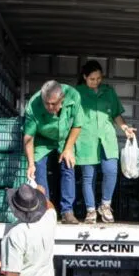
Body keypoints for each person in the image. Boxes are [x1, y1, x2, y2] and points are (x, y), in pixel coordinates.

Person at [75, 61, 135, 223]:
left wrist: (125, 128)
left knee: (111, 171)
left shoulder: (109, 92)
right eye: (92, 79)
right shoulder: (76, 93)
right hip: (86, 139)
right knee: (88, 177)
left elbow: (116, 114)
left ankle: (105, 205)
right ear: (84, 77)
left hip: (107, 138)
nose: (96, 82)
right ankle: (90, 210)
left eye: (98, 78)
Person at [23, 80, 88, 224]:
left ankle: (67, 211)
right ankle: (45, 209)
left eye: (53, 104)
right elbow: (28, 137)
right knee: (38, 169)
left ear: (62, 99)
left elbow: (77, 125)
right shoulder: (33, 105)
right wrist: (31, 163)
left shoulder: (73, 96)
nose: (49, 107)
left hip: (64, 138)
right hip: (42, 140)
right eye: (47, 103)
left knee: (68, 165)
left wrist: (68, 148)